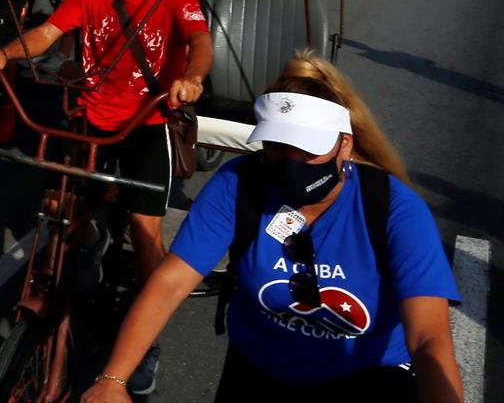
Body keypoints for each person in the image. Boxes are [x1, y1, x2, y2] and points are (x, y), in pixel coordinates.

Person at [81, 55, 461, 403]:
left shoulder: (394, 210)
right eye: (278, 148)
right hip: (258, 372)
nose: (292, 163)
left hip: (364, 378)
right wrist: (113, 379)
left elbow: (428, 340)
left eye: (307, 150)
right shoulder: (241, 184)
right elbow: (171, 282)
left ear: (345, 145)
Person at [0, 0, 213, 395]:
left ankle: (144, 344)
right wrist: (7, 51)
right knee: (65, 212)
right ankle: (90, 245)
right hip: (90, 117)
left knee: (145, 231)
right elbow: (47, 35)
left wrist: (192, 78)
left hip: (146, 123)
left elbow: (198, 41)